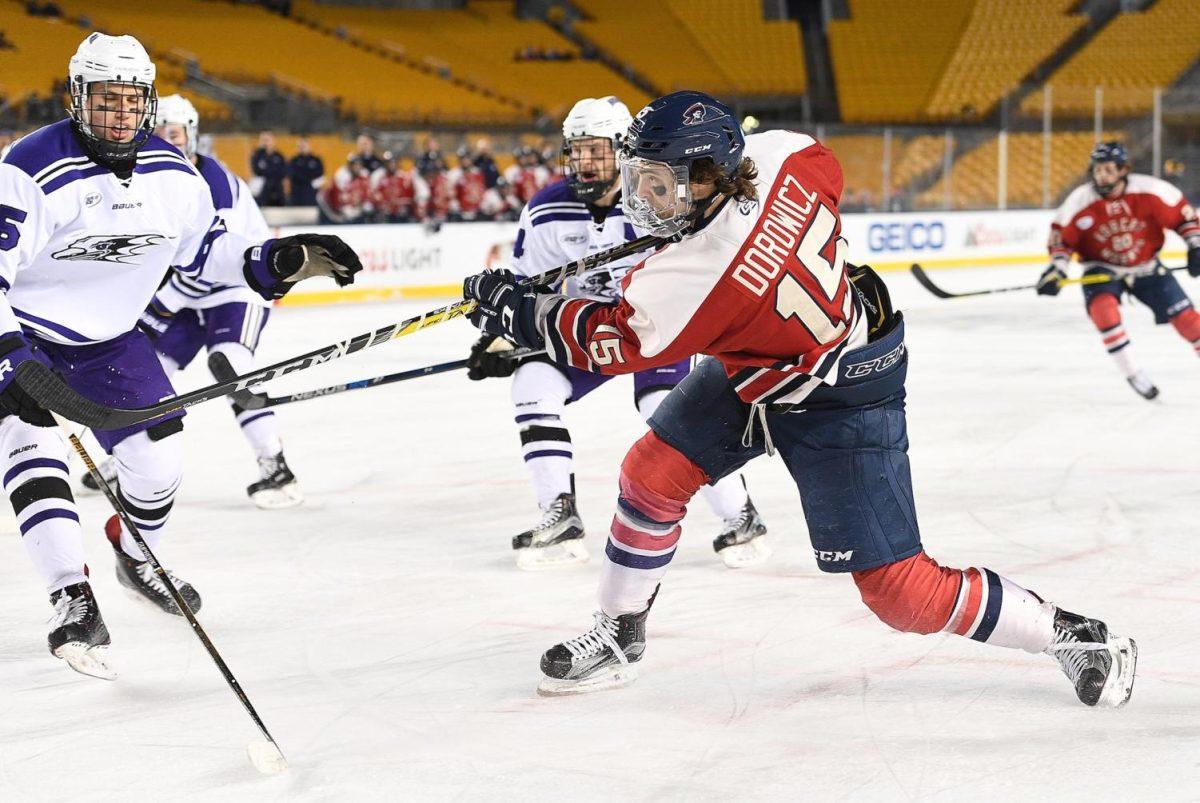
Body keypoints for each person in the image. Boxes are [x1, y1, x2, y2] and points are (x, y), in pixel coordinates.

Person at [462, 91, 1137, 706]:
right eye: (640, 179)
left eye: (658, 184)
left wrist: (518, 311)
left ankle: (1072, 633)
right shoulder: (783, 153)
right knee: (651, 472)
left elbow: (607, 340)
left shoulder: (696, 277)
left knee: (901, 591)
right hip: (772, 354)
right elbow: (819, 177)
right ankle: (620, 629)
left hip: (840, 394)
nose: (643, 199)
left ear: (705, 177)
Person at [0, 33, 360, 678]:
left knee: (157, 465)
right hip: (25, 334)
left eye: (131, 101)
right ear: (75, 99)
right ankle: (69, 598)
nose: (119, 115)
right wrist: (11, 360)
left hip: (111, 339)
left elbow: (205, 255)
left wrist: (272, 260)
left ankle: (136, 554)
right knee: (31, 448)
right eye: (104, 100)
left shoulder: (174, 173)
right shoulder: (28, 169)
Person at [465, 96, 767, 571]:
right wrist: (504, 339)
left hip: (649, 329)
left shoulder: (658, 196)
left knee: (663, 409)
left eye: (598, 150)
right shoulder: (545, 210)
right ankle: (559, 512)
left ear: (624, 149)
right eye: (577, 150)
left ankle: (739, 514)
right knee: (531, 384)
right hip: (585, 329)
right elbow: (528, 288)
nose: (586, 162)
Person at [80, 94, 304, 508]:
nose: (168, 141)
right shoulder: (151, 179)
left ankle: (275, 464)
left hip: (237, 291)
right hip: (187, 296)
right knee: (141, 370)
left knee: (231, 367)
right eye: (159, 133)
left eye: (175, 133)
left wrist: (162, 303)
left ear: (192, 135)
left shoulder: (217, 186)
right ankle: (129, 456)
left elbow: (215, 264)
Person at [1038, 141, 1200, 399]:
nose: (1101, 175)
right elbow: (1061, 239)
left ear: (1124, 170)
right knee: (1105, 312)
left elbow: (1185, 217)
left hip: (1146, 267)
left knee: (1190, 322)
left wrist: (1195, 246)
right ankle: (1133, 373)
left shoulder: (1151, 192)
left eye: (1108, 170)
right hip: (1100, 269)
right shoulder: (1080, 200)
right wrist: (1056, 270)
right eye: (1097, 169)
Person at [250, 131, 286, 207]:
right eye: (264, 140)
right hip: (262, 185)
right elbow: (256, 170)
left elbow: (283, 171)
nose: (266, 142)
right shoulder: (257, 155)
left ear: (273, 141)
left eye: (268, 140)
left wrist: (270, 172)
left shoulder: (279, 156)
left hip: (276, 185)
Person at [287, 136, 323, 207]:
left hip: (311, 194)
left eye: (304, 145)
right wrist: (308, 177)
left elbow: (320, 175)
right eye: (300, 146)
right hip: (296, 194)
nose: (302, 147)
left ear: (309, 146)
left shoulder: (316, 160)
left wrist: (307, 180)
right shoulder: (293, 160)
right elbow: (293, 175)